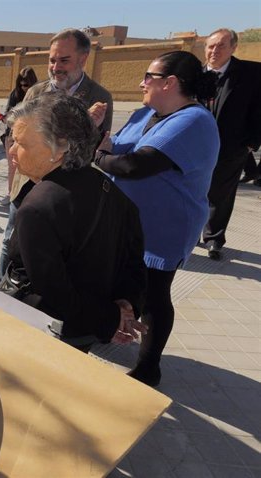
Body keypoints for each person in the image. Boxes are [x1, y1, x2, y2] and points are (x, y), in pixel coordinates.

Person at [95, 50, 220, 386]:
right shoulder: (146, 113)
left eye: (148, 77)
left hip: (164, 229)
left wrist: (102, 157)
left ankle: (149, 367)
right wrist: (105, 151)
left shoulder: (193, 121)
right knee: (124, 284)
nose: (141, 83)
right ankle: (112, 330)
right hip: (129, 225)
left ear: (170, 83)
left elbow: (133, 165)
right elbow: (115, 146)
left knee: (153, 296)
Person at [5, 92, 147, 352]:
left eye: (21, 143)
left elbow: (54, 292)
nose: (12, 151)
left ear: (61, 147)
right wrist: (125, 307)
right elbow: (134, 263)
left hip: (50, 332)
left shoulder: (37, 208)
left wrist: (112, 318)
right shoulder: (112, 190)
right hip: (88, 330)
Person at [0, 28, 113, 285]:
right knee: (11, 240)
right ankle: (2, 289)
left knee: (52, 250)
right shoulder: (35, 93)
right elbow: (15, 138)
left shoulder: (100, 98)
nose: (55, 67)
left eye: (64, 60)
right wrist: (12, 180)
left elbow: (96, 152)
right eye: (52, 60)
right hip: (25, 185)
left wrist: (90, 127)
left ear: (83, 59)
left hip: (62, 192)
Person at [201, 28, 261, 260]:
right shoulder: (194, 74)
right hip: (195, 147)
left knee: (221, 194)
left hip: (232, 147)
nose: (214, 51)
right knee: (193, 191)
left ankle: (214, 239)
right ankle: (189, 233)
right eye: (210, 46)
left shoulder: (251, 73)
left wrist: (251, 144)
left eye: (221, 46)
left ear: (234, 47)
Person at [0, 66, 37, 205]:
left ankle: (27, 195)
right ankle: (11, 194)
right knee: (13, 167)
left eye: (26, 84)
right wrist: (5, 118)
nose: (23, 87)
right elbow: (8, 115)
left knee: (29, 168)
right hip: (12, 137)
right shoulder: (14, 95)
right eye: (20, 84)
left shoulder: (37, 95)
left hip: (30, 138)